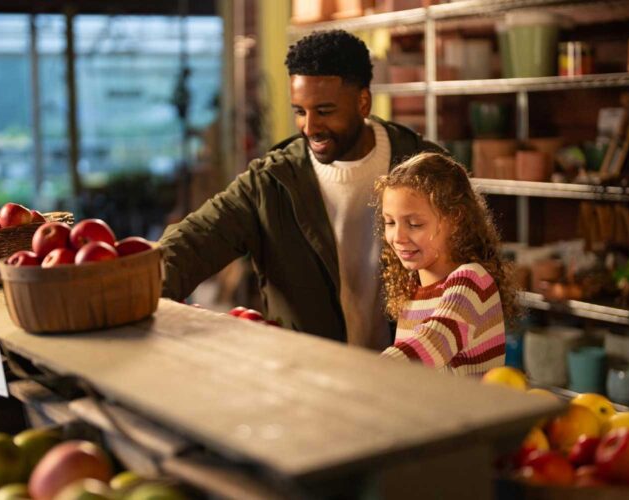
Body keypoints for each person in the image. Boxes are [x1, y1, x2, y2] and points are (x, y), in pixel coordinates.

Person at [159, 30, 446, 348]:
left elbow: (475, 269)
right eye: (300, 111)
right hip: (308, 380)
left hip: (413, 379)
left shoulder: (428, 169)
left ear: (363, 102)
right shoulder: (271, 182)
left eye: (324, 111)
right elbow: (194, 243)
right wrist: (133, 284)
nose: (309, 127)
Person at [376, 152, 518, 375]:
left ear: (455, 219)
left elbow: (434, 342)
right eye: (390, 222)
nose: (398, 237)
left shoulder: (472, 281)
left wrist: (369, 370)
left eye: (414, 224)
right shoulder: (411, 288)